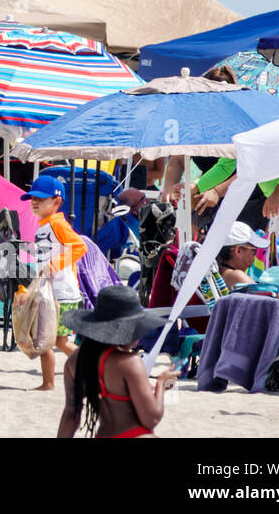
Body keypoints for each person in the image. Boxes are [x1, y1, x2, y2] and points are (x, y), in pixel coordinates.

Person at [57, 286, 178, 438]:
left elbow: (71, 416)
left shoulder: (75, 361)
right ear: (122, 330)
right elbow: (151, 419)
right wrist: (161, 383)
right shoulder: (129, 363)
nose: (139, 334)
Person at [24, 176, 87, 391]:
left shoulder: (57, 223)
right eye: (32, 197)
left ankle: (51, 382)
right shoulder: (44, 225)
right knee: (56, 342)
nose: (34, 201)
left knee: (48, 341)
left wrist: (55, 264)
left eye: (41, 198)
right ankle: (57, 381)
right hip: (55, 292)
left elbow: (79, 246)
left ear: (56, 202)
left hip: (61, 294)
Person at [216, 222, 268, 289]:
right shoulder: (236, 276)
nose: (255, 256)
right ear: (238, 251)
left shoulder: (221, 272)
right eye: (254, 251)